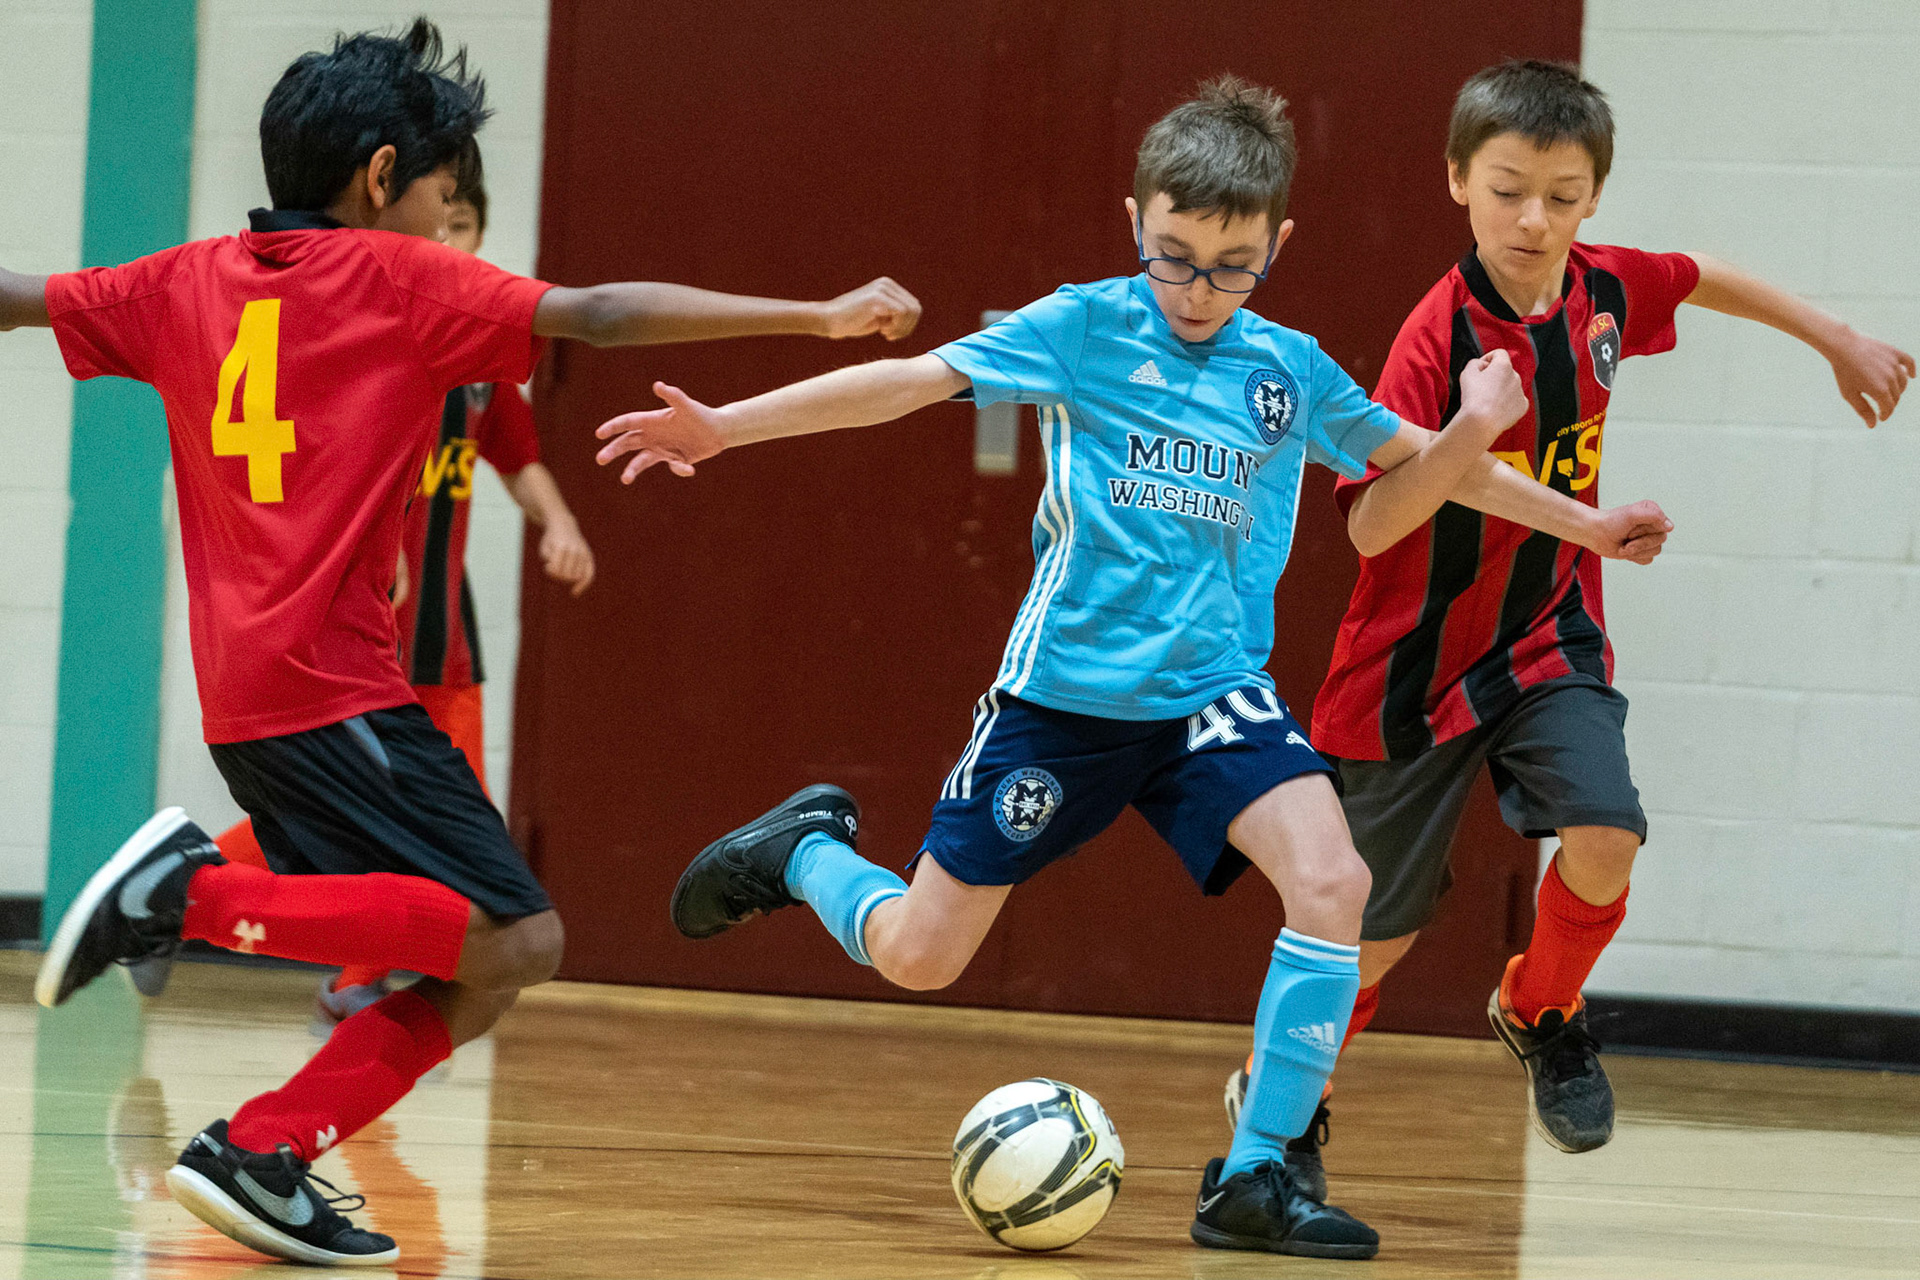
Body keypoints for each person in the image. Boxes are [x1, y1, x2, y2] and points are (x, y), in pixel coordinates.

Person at [595, 76, 1670, 1260]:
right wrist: (725, 426)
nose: (1200, 289)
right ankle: (802, 848)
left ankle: (1254, 1174)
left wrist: (1590, 523)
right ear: (1134, 223)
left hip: (1214, 698)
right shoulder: (1085, 326)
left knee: (1333, 881)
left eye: (1232, 263)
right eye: (1176, 257)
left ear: (1278, 243)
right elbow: (909, 384)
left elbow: (1433, 463)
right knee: (921, 953)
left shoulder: (1288, 368)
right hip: (1062, 707)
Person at [3, 20, 919, 1266]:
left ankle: (263, 1146)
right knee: (519, 937)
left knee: (492, 957)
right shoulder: (399, 279)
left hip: (251, 702)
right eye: (441, 194)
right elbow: (593, 313)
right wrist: (815, 315)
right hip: (339, 694)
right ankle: (192, 897)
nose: (448, 221)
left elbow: (23, 297)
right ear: (383, 178)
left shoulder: (181, 281)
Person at [1221, 59, 1914, 1199]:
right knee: (1365, 939)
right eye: (1507, 189)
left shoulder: (1600, 292)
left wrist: (1832, 334)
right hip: (1410, 666)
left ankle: (1541, 1007)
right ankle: (1284, 1107)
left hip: (1551, 636)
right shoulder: (1433, 340)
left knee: (1606, 831)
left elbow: (1698, 278)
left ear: (1593, 196)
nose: (1533, 216)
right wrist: (1466, 440)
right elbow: (1373, 525)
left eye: (1560, 190)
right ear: (1458, 183)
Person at [205, 180, 598, 1028]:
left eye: (466, 227)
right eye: (440, 222)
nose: (450, 240)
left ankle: (188, 887)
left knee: (452, 836)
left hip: (444, 645)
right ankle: (225, 912)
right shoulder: (372, 339)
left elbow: (517, 457)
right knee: (379, 829)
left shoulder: (485, 369)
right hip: (354, 646)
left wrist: (560, 519)